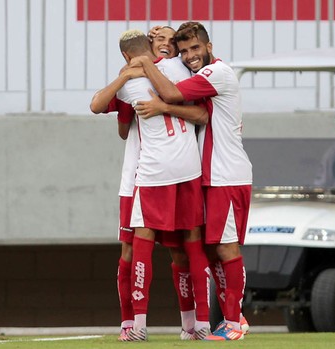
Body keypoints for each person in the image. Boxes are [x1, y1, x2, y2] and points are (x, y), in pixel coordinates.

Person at [130, 21, 253, 341]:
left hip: (227, 175)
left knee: (227, 249)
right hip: (210, 178)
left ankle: (234, 322)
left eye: (195, 48)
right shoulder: (198, 75)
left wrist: (148, 72)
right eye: (184, 51)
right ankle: (231, 318)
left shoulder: (218, 74)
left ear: (209, 47)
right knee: (211, 251)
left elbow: (169, 91)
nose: (189, 56)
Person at [89, 28, 211, 341]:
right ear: (151, 46)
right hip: (162, 172)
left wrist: (130, 73)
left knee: (157, 248)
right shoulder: (183, 70)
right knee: (168, 248)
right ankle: (187, 323)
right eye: (159, 40)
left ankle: (142, 325)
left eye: (170, 41)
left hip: (150, 174)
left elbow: (99, 106)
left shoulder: (136, 79)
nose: (166, 46)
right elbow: (124, 127)